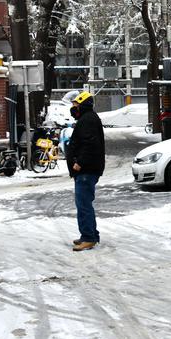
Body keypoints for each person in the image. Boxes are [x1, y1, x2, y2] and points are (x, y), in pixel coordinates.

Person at [66, 91, 105, 251]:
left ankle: (88, 238)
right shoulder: (87, 118)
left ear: (83, 106)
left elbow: (90, 144)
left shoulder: (88, 120)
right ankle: (90, 235)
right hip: (87, 169)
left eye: (75, 105)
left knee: (83, 204)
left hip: (86, 169)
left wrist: (79, 163)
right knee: (84, 203)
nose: (73, 108)